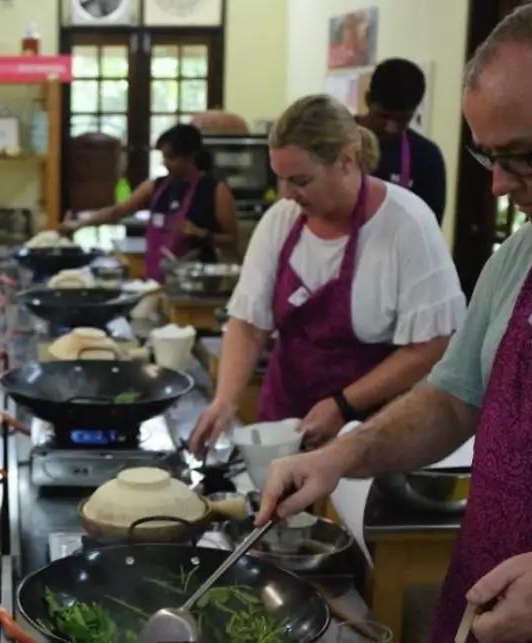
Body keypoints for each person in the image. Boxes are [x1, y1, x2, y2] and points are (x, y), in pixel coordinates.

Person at [257, 6, 532, 641]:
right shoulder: (515, 259)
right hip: (481, 596)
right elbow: (451, 399)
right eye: (486, 154)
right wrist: (342, 454)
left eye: (520, 157)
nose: (495, 186)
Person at [189, 94, 464, 454]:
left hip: (369, 431)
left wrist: (342, 405)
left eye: (300, 180)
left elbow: (431, 345)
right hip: (285, 420)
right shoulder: (281, 221)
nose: (287, 194)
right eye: (281, 179)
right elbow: (248, 322)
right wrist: (225, 399)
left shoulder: (406, 225)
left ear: (347, 161)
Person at [59, 124, 239, 281]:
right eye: (163, 157)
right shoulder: (155, 186)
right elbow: (117, 211)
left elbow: (233, 241)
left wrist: (202, 234)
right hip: (155, 281)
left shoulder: (216, 190)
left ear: (191, 156)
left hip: (193, 285)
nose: (165, 163)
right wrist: (78, 224)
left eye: (171, 158)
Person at [358, 57, 447, 222]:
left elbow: (428, 229)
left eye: (403, 120)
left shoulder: (426, 157)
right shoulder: (334, 140)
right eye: (383, 116)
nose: (391, 128)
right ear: (368, 100)